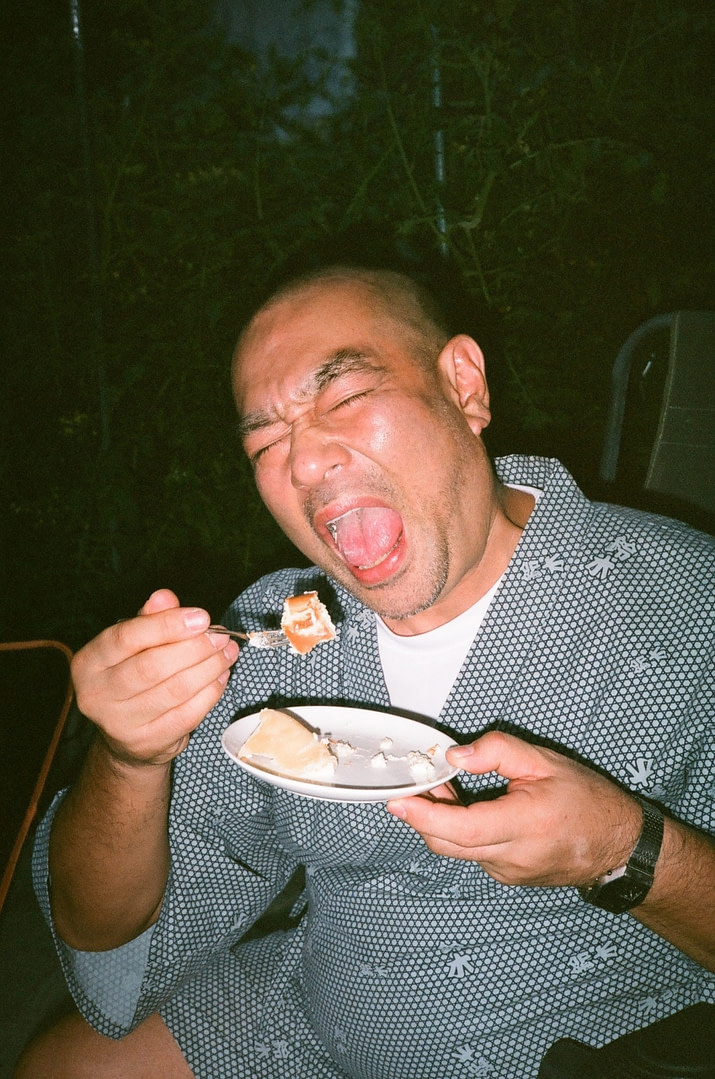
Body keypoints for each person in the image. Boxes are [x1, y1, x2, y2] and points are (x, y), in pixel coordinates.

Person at [17, 265, 715, 1079]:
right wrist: (128, 756)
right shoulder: (277, 628)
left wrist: (621, 848)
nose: (305, 462)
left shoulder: (682, 600)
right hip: (314, 1007)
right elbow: (98, 923)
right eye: (265, 442)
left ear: (463, 385)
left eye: (343, 398)